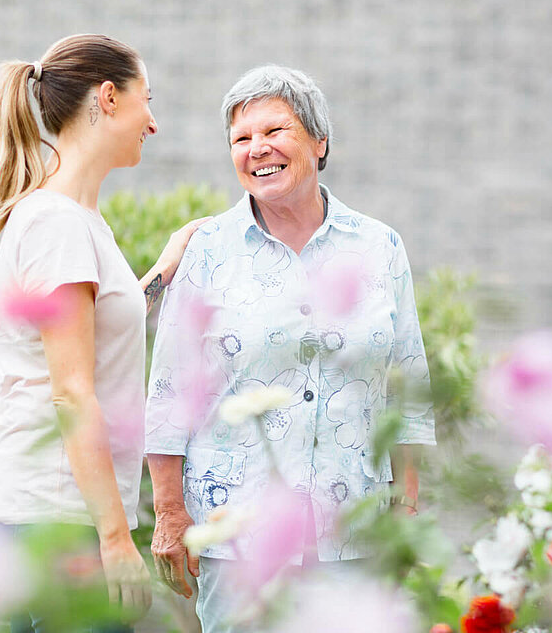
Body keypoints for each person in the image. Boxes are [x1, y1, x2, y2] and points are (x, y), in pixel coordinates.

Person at [144, 65, 436, 632]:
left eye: (275, 131)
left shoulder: (379, 245)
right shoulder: (205, 251)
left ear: (319, 140)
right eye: (241, 139)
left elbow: (409, 383)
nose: (258, 150)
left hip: (355, 533)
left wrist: (407, 507)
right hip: (239, 538)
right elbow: (170, 391)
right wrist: (170, 513)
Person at [0, 34, 204, 631]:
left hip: (48, 517)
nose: (154, 122)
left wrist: (162, 271)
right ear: (108, 97)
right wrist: (117, 539)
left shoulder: (76, 221)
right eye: (147, 100)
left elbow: (96, 334)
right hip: (54, 520)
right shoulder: (57, 224)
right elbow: (71, 392)